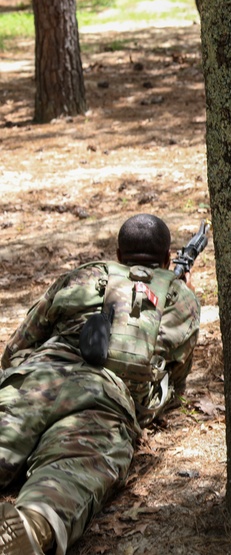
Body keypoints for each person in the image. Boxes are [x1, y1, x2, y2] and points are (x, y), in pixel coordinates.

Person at [0, 214, 201, 555]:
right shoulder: (181, 300)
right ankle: (33, 523)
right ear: (168, 260)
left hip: (37, 378)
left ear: (117, 255)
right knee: (73, 471)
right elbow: (174, 384)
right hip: (104, 402)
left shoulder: (83, 275)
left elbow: (21, 343)